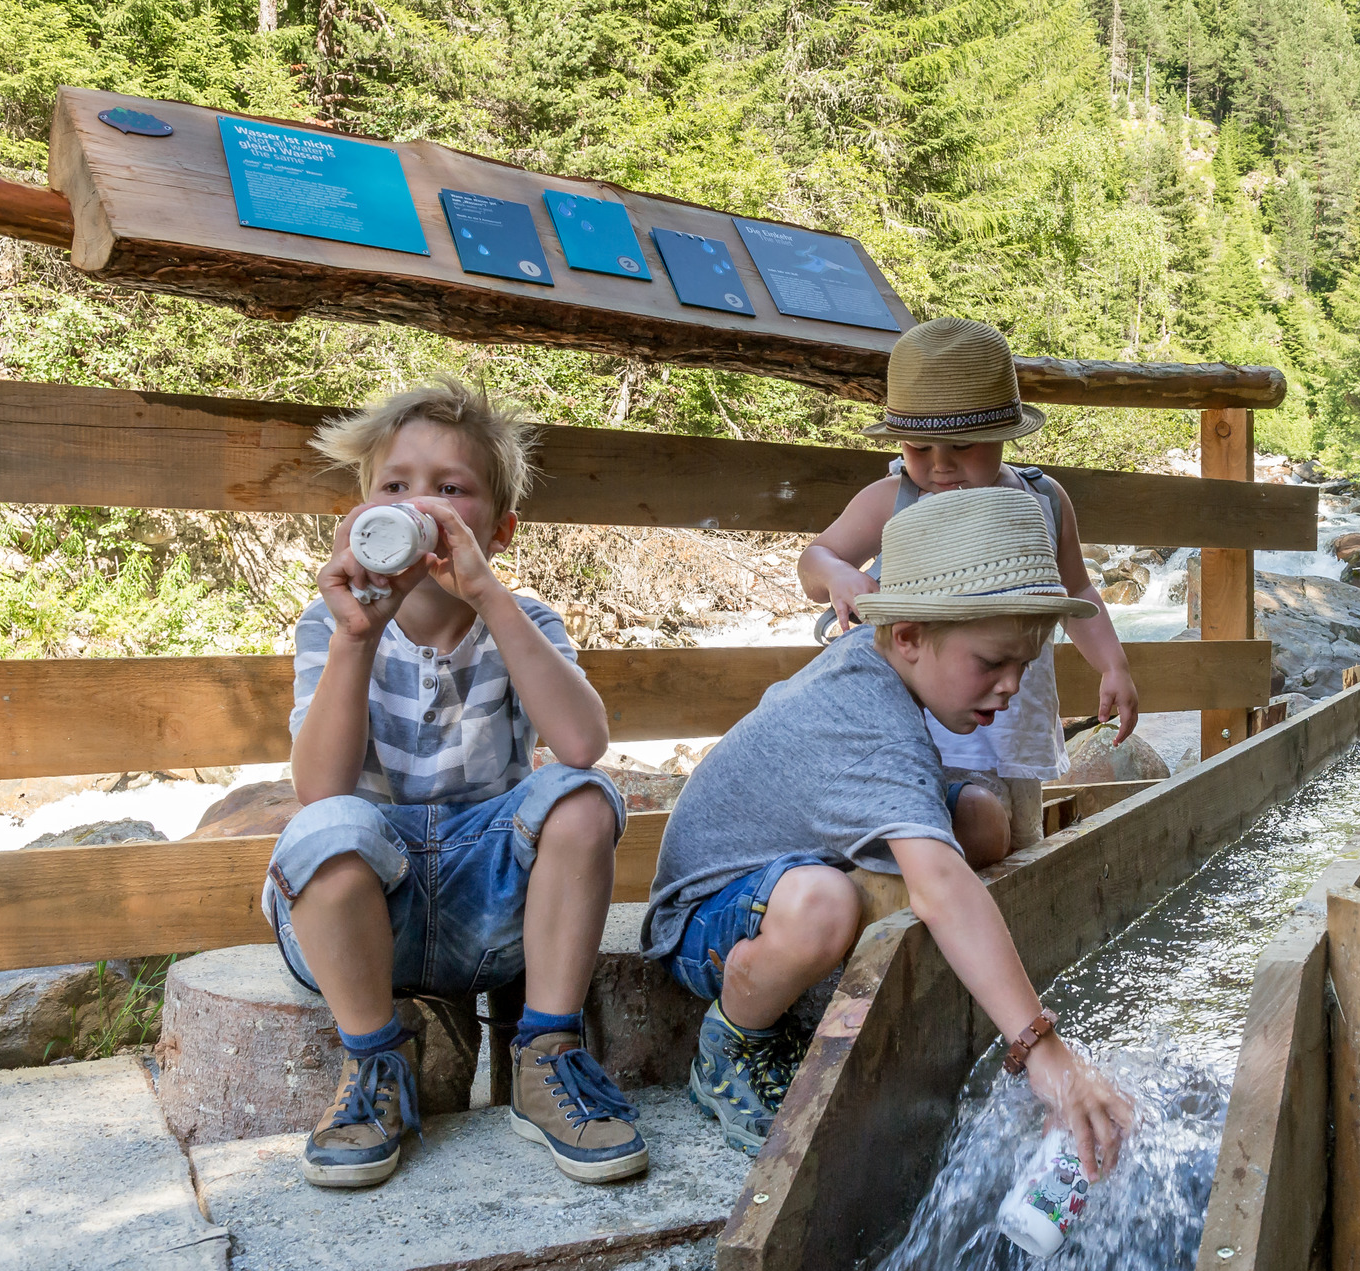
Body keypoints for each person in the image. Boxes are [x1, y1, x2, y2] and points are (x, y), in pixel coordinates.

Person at [646, 486, 1134, 1173]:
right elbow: (940, 888)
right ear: (907, 636)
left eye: (1022, 667)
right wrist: (1041, 1050)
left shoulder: (887, 674)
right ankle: (733, 1046)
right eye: (991, 663)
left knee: (981, 820)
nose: (1010, 687)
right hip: (705, 916)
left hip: (783, 866)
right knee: (826, 904)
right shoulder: (865, 714)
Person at [262, 377, 646, 1189]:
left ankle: (546, 1053)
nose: (421, 507)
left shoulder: (525, 621)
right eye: (395, 487)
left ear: (499, 529)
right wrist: (355, 640)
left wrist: (490, 598)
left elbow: (581, 742)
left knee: (582, 797)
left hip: (491, 903)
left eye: (450, 490)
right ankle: (376, 1064)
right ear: (363, 516)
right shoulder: (329, 626)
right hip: (379, 903)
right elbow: (321, 789)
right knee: (325, 833)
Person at [798, 317, 1138, 863]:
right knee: (933, 851)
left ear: (1005, 434)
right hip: (914, 733)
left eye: (962, 444)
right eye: (918, 447)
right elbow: (816, 558)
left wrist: (1113, 666)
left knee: (1019, 854)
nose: (940, 465)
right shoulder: (894, 498)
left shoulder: (1042, 501)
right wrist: (839, 575)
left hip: (1014, 731)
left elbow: (1075, 589)